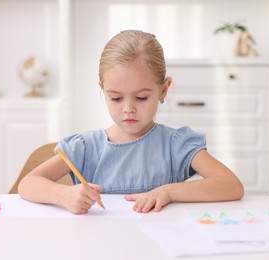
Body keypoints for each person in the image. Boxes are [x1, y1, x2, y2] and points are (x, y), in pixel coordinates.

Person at [18, 30, 244, 214]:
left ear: (163, 89)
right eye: (115, 98)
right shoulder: (85, 148)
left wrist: (169, 192)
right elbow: (28, 184)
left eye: (141, 97)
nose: (128, 108)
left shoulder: (176, 144)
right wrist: (64, 195)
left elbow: (231, 185)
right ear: (103, 90)